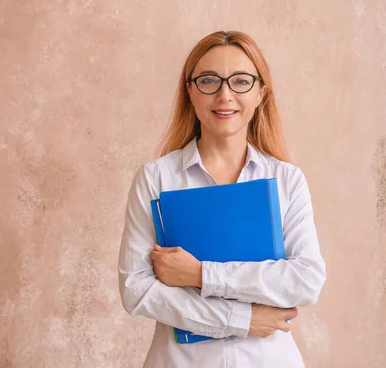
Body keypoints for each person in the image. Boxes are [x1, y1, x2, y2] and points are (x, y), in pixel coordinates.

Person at [118, 30, 326, 368]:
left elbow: (305, 282)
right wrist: (242, 320)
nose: (224, 95)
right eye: (209, 80)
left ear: (261, 92)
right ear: (190, 90)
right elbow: (137, 290)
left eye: (241, 81)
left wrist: (201, 274)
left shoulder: (286, 181)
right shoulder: (156, 179)